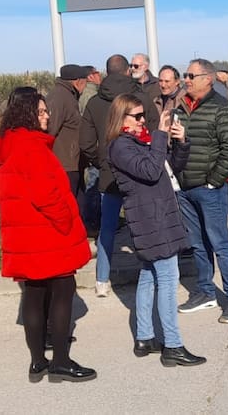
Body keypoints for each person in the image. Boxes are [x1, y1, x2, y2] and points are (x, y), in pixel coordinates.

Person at [0, 87, 95, 383]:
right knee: (64, 291)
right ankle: (60, 361)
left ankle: (38, 362)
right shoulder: (31, 146)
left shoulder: (10, 143)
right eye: (40, 111)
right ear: (26, 115)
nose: (47, 115)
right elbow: (46, 194)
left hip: (26, 235)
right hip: (46, 232)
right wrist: (67, 222)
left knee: (34, 295)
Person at [106, 94, 206, 367]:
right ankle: (172, 345)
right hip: (151, 220)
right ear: (121, 118)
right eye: (136, 117)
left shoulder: (141, 141)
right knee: (168, 280)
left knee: (149, 276)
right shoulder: (120, 147)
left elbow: (170, 167)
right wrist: (161, 135)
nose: (142, 121)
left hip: (158, 216)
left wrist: (180, 141)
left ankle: (145, 337)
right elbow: (150, 171)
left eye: (143, 116)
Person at [80, 54, 159, 297]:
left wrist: (101, 160)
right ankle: (152, 273)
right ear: (127, 71)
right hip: (139, 172)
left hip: (108, 174)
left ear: (105, 72)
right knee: (146, 224)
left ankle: (102, 280)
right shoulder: (141, 98)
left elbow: (85, 142)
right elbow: (156, 133)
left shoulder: (94, 102)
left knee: (107, 228)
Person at [175, 59, 228, 323]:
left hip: (208, 189)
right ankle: (206, 292)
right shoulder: (181, 107)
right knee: (196, 243)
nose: (187, 79)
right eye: (186, 74)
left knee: (219, 242)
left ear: (209, 78)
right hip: (184, 188)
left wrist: (214, 180)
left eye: (191, 75)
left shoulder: (222, 108)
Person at [45, 64, 89, 211]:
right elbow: (50, 129)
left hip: (72, 160)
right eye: (85, 82)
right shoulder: (59, 97)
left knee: (78, 199)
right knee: (68, 204)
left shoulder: (67, 95)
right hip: (64, 162)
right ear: (78, 81)